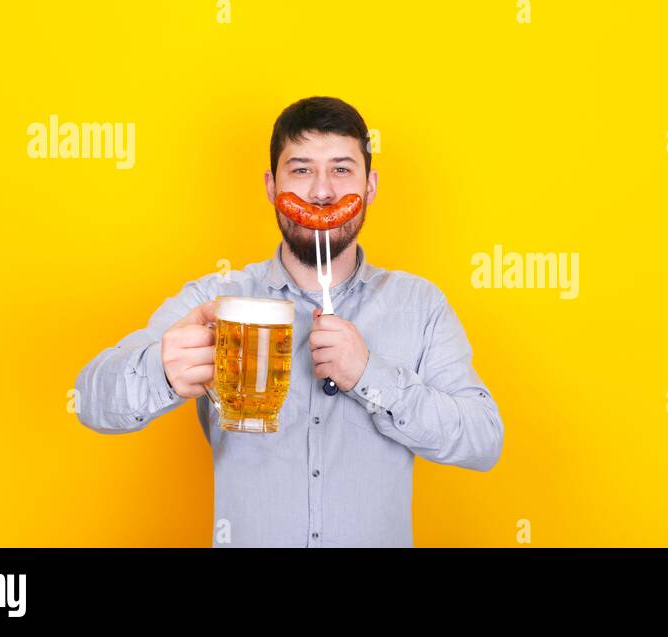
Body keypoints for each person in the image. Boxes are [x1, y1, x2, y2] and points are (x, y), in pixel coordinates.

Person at [74, 96, 504, 547]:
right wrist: (159, 371)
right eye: (300, 170)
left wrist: (369, 375)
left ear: (371, 185)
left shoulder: (419, 304)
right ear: (270, 186)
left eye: (341, 169)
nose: (321, 193)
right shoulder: (214, 300)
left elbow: (483, 440)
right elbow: (88, 401)